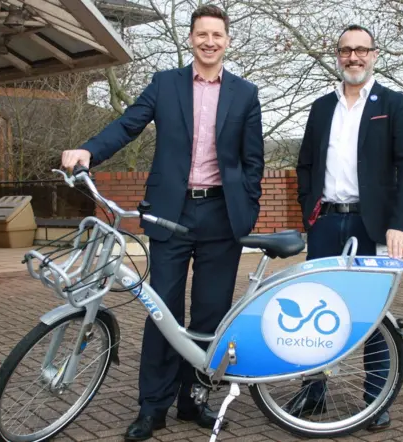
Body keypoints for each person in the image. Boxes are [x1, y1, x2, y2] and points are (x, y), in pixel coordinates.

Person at [61, 5, 264, 441]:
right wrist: (89, 151)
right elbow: (128, 124)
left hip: (221, 217)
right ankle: (152, 407)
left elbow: (253, 162)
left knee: (210, 314)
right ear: (191, 38)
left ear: (227, 41)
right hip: (170, 213)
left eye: (218, 35)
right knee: (162, 311)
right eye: (202, 34)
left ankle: (193, 400)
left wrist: (246, 207)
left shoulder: (245, 94)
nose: (210, 42)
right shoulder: (165, 84)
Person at [293, 24, 403, 431]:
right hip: (326, 221)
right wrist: (308, 209)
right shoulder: (320, 106)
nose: (354, 57)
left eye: (361, 50)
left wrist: (399, 224)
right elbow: (306, 165)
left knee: (371, 313)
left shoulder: (394, 104)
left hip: (372, 226)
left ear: (374, 54)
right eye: (347, 50)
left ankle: (375, 397)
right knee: (317, 310)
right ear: (338, 55)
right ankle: (313, 393)